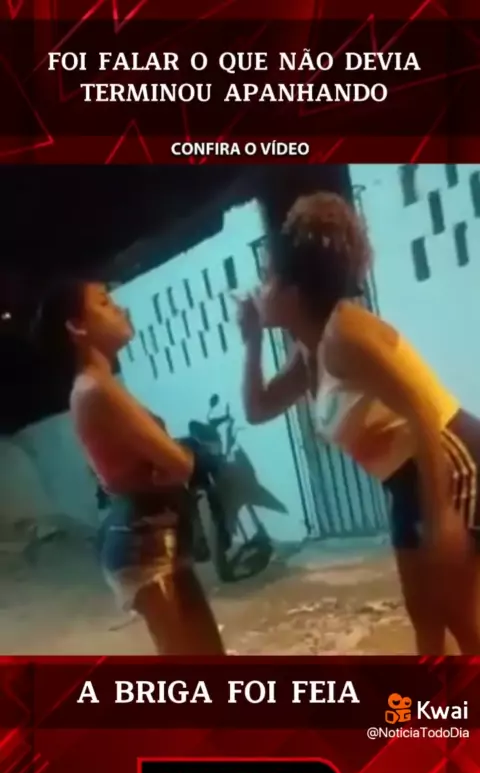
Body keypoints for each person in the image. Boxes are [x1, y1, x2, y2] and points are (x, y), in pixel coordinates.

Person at [237, 191, 480, 656]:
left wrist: (442, 518)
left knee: (460, 621)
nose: (259, 288)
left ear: (293, 293)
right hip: (405, 483)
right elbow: (258, 408)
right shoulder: (309, 350)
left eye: (267, 277)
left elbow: (423, 412)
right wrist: (251, 341)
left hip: (452, 462)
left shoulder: (346, 333)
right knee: (425, 619)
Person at [37, 278, 225, 655]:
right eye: (105, 303)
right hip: (144, 543)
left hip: (152, 535)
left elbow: (168, 465)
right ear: (77, 327)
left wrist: (171, 463)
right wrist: (185, 458)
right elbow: (180, 464)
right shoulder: (97, 390)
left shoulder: (100, 386)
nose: (120, 309)